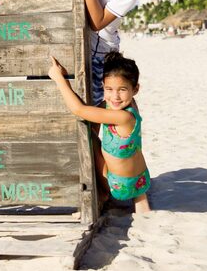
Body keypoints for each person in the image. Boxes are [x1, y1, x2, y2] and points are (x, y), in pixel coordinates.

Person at [48, 52, 151, 215]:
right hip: (141, 181)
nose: (115, 96)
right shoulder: (127, 106)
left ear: (135, 89)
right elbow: (91, 111)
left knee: (88, 136)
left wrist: (59, 79)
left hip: (118, 187)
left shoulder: (123, 117)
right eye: (109, 89)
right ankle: (139, 197)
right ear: (103, 86)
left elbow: (79, 110)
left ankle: (102, 194)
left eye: (122, 90)